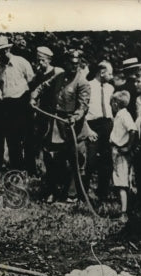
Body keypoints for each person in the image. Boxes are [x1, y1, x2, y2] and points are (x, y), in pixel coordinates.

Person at [42, 49, 90, 203]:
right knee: (52, 159)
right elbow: (43, 85)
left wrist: (75, 117)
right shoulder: (59, 76)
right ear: (66, 62)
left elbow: (83, 106)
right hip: (57, 122)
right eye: (71, 63)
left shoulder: (83, 82)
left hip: (74, 124)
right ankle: (52, 191)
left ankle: (72, 195)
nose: (74, 66)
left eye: (77, 63)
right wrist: (34, 96)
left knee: (76, 159)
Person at [0, 35, 35, 173]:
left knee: (28, 138)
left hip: (23, 102)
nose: (2, 54)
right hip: (8, 105)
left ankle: (31, 170)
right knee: (12, 139)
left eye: (4, 50)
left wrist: (31, 100)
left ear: (8, 49)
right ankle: (16, 170)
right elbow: (0, 86)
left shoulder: (21, 62)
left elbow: (32, 82)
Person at [28, 46, 63, 177]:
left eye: (42, 60)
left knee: (56, 142)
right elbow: (34, 90)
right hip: (42, 111)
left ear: (49, 60)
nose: (40, 63)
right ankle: (43, 172)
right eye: (38, 60)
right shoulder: (38, 75)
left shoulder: (57, 72)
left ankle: (57, 174)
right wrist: (33, 99)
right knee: (42, 141)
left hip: (56, 112)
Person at [84, 60, 114, 200]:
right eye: (110, 73)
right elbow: (82, 111)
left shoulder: (110, 88)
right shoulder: (87, 86)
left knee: (107, 161)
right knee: (89, 160)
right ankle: (83, 192)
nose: (112, 76)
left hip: (107, 125)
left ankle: (102, 193)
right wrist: (87, 130)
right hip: (92, 125)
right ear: (102, 72)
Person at [109, 90, 137, 220]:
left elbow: (132, 130)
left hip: (121, 151)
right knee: (119, 180)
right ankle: (125, 209)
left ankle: (124, 213)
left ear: (115, 104)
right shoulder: (120, 115)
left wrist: (127, 147)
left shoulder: (124, 115)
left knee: (122, 183)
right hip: (116, 150)